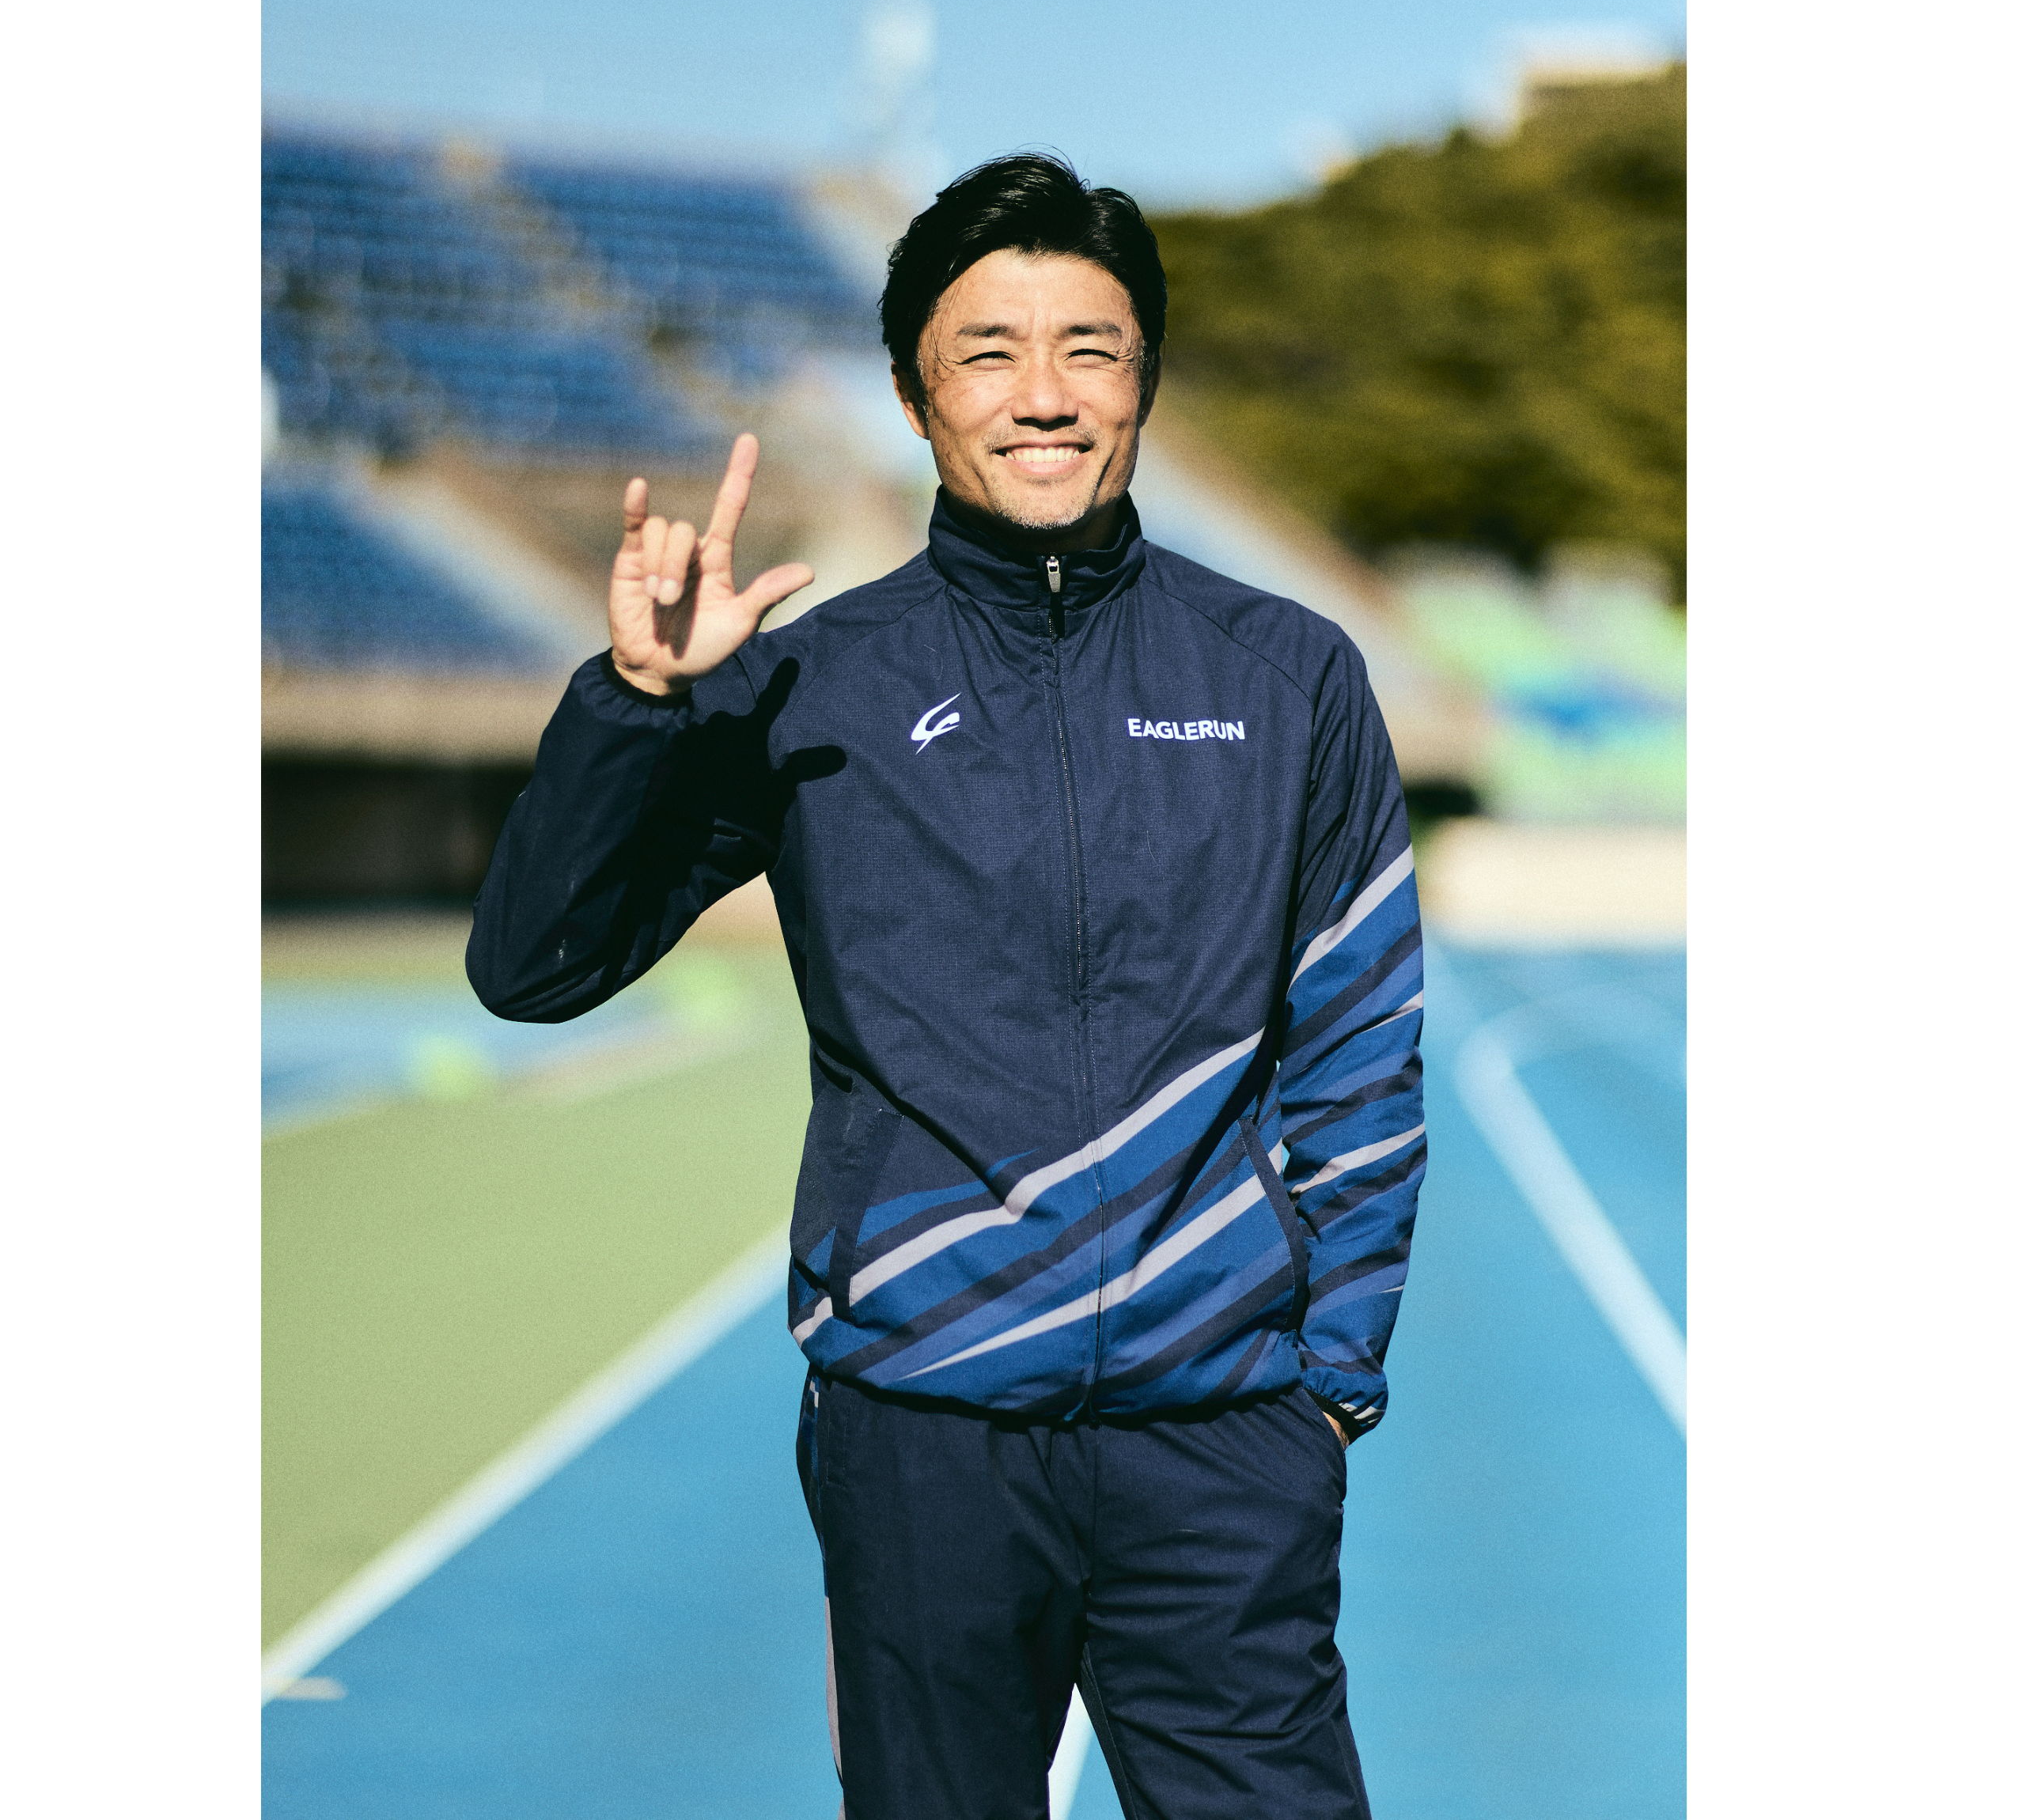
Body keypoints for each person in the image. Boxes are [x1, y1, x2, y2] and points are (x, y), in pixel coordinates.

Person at [468, 153, 1426, 1820]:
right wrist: (637, 705)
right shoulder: (808, 683)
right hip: (922, 1439)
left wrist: (1325, 1389)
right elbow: (535, 967)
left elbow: (1360, 1043)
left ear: (1143, 383)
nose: (1043, 396)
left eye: (1091, 349)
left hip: (1221, 1444)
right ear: (919, 396)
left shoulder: (1289, 677)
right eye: (990, 353)